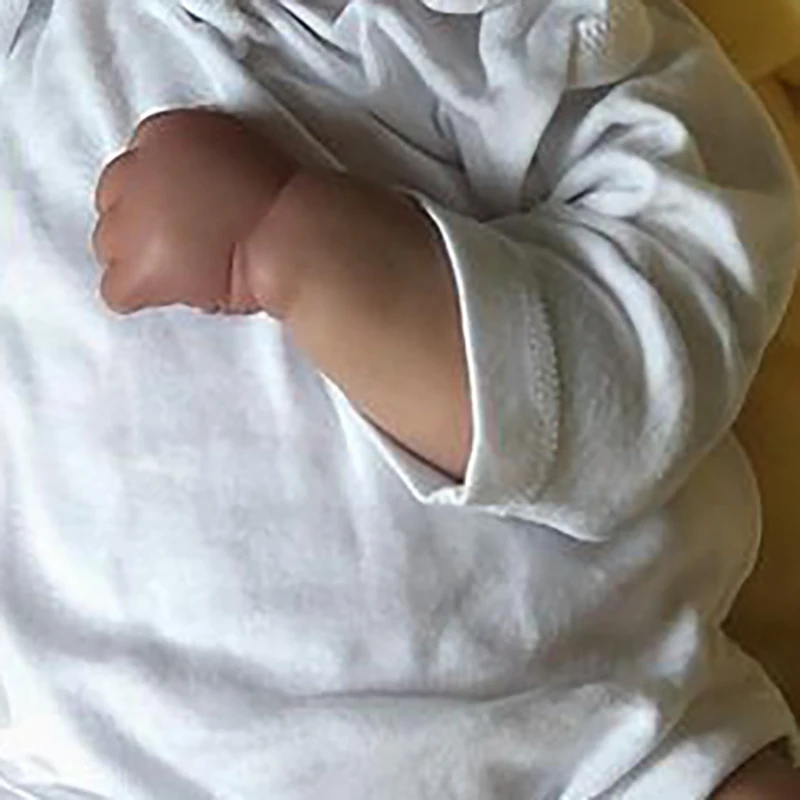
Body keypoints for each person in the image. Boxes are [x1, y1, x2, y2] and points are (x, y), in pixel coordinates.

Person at [1, 0, 799, 797]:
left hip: (580, 733)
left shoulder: (552, 36)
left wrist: (314, 252)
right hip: (94, 768)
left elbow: (644, 375)